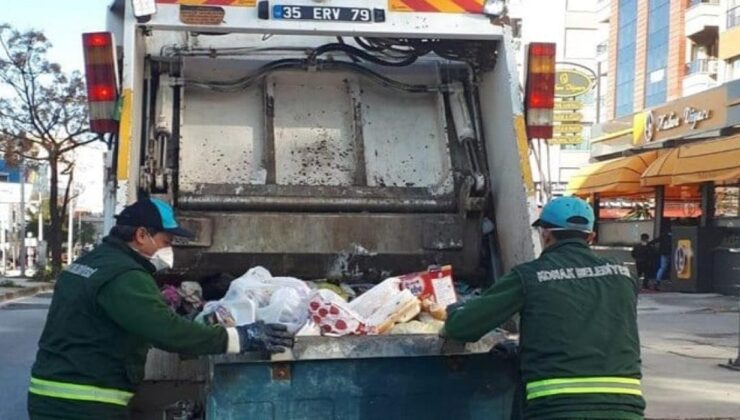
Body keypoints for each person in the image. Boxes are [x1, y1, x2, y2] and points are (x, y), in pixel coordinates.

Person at [28, 198, 294, 420]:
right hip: (82, 402)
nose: (169, 250)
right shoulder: (125, 276)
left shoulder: (93, 262)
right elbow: (167, 333)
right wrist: (241, 337)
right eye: (166, 241)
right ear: (142, 235)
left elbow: (123, 321)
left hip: (58, 393)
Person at [443, 196, 645, 420]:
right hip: (626, 408)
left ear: (545, 234)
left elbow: (462, 328)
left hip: (558, 409)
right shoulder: (624, 276)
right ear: (590, 237)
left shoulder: (530, 276)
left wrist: (453, 311)